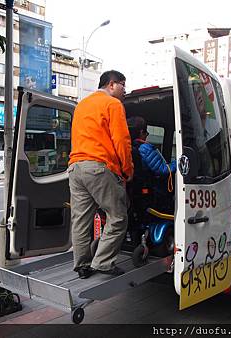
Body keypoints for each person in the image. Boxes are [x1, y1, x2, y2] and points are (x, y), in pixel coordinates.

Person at [68, 70, 134, 279]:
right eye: (123, 85)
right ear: (112, 84)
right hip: (99, 167)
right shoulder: (113, 104)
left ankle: (82, 265)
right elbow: (122, 141)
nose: (125, 90)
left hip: (75, 167)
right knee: (118, 216)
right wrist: (128, 170)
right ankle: (103, 263)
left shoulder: (82, 105)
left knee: (80, 220)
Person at [126, 116, 176, 234]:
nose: (147, 135)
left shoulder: (126, 147)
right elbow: (161, 170)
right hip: (152, 189)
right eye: (146, 132)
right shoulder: (145, 148)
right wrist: (177, 163)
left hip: (135, 189)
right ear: (141, 132)